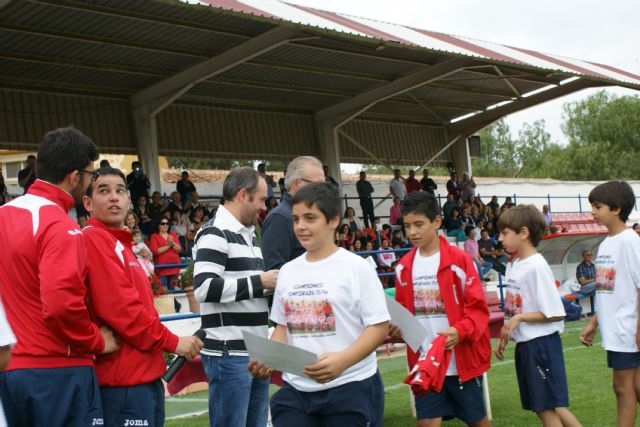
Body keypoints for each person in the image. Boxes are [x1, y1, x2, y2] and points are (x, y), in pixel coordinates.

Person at [0, 127, 118, 427]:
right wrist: (96, 341)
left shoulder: (5, 214)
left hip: (10, 370)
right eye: (91, 175)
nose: (92, 182)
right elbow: (61, 305)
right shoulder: (58, 224)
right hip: (57, 370)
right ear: (73, 176)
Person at [248, 182, 390, 426]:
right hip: (297, 392)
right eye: (296, 219)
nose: (301, 226)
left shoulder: (356, 268)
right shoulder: (288, 272)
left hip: (351, 386)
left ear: (333, 220)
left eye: (310, 218)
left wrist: (342, 361)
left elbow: (379, 327)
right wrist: (268, 357)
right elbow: (283, 327)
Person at [82, 167, 203, 427]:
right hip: (123, 383)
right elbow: (124, 312)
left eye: (120, 191)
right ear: (88, 203)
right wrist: (172, 342)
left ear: (129, 201)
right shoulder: (94, 240)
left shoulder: (122, 246)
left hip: (142, 378)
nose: (114, 197)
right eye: (104, 191)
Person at [391, 191, 491, 427]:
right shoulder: (402, 268)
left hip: (461, 363)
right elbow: (402, 314)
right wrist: (396, 328)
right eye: (407, 226)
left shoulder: (460, 260)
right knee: (426, 422)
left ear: (436, 221)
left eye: (419, 224)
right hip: (425, 364)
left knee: (478, 422)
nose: (412, 232)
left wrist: (460, 331)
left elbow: (478, 309)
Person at [192, 167, 279, 427]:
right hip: (229, 353)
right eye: (261, 199)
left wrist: (272, 288)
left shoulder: (249, 236)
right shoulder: (214, 233)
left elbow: (247, 290)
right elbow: (204, 288)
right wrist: (260, 281)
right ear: (243, 195)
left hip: (255, 352)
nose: (264, 206)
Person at [495, 205, 580, 426]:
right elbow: (516, 308)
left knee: (547, 409)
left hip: (541, 345)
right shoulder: (514, 264)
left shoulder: (536, 266)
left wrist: (520, 319)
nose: (500, 238)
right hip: (527, 345)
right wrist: (507, 333)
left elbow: (554, 313)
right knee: (547, 406)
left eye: (505, 233)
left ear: (523, 233)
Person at [580, 181, 640, 427]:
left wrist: (638, 328)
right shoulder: (605, 244)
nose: (592, 212)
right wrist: (593, 323)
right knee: (634, 386)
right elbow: (605, 290)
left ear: (616, 209)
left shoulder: (630, 241)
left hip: (627, 328)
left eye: (597, 206)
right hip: (614, 330)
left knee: (622, 387)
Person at [262, 156, 325, 270]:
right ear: (296, 184)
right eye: (317, 185)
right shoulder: (280, 218)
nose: (323, 191)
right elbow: (274, 270)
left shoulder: (310, 214)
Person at [149, 218, 182, 291]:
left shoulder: (172, 235)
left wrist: (172, 243)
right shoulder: (154, 236)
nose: (165, 225)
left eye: (167, 224)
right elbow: (155, 251)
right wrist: (168, 245)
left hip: (174, 267)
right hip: (162, 269)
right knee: (163, 292)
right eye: (162, 223)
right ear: (158, 225)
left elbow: (179, 250)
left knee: (173, 292)